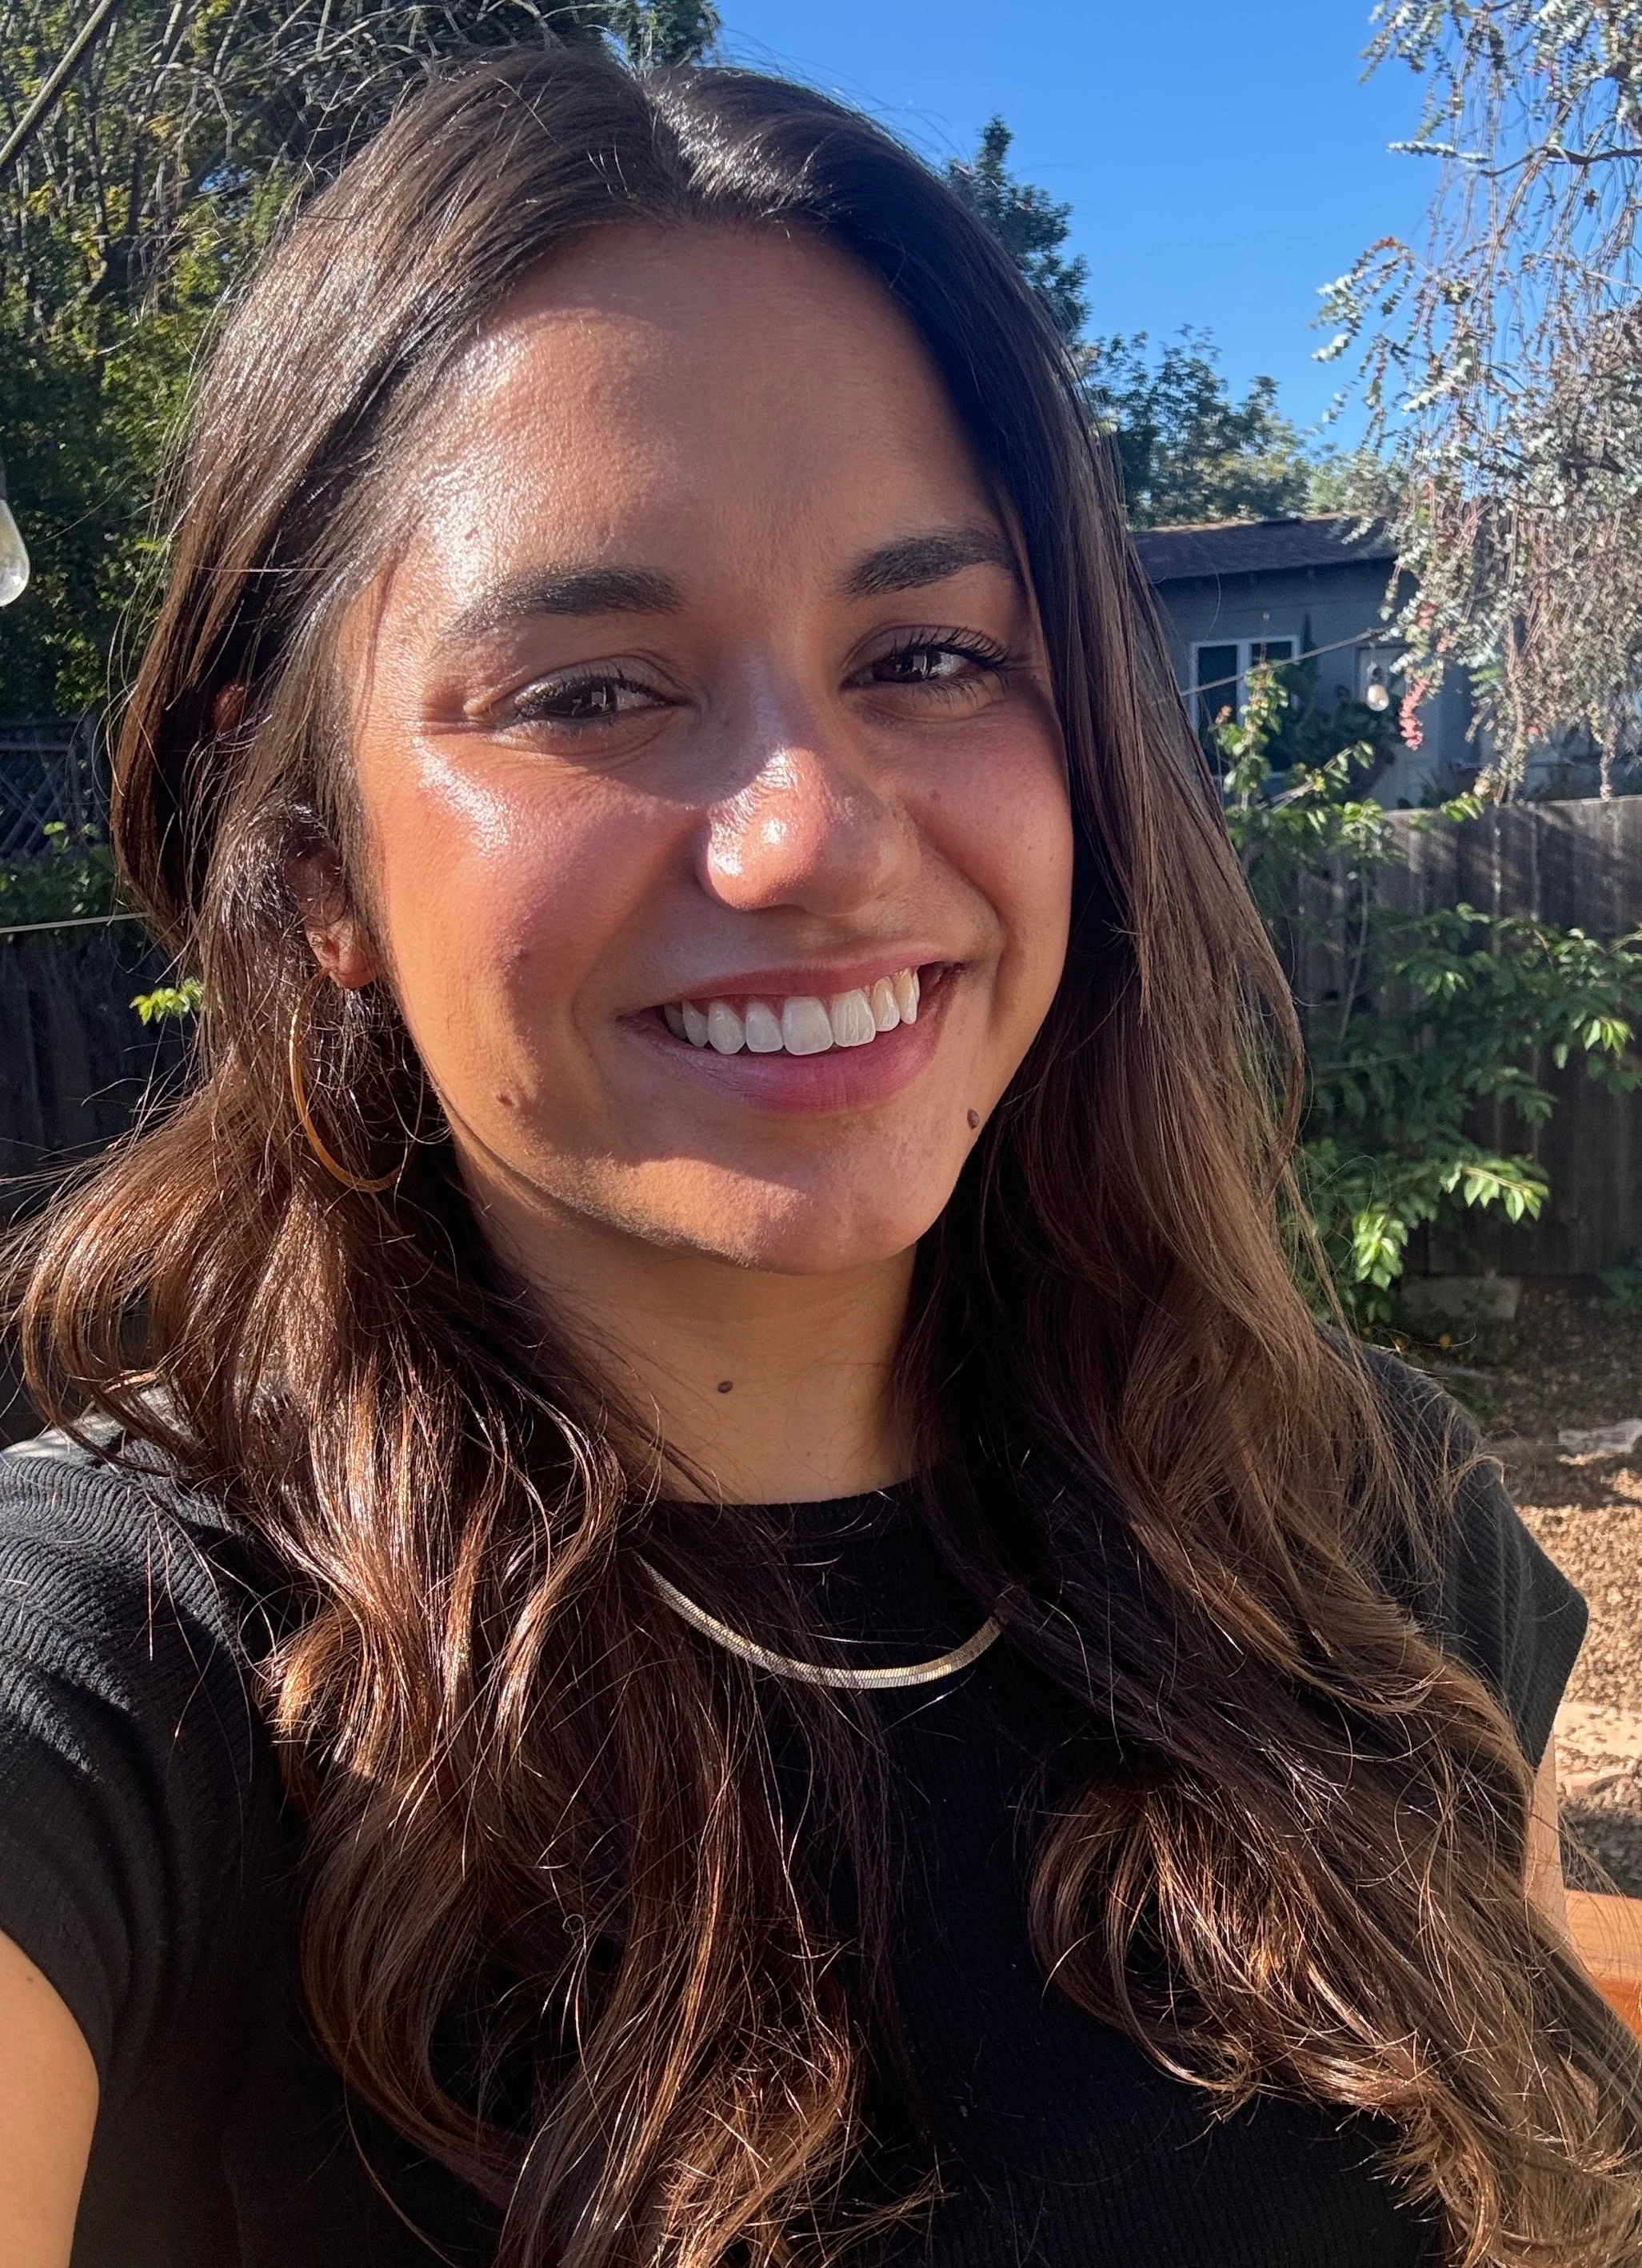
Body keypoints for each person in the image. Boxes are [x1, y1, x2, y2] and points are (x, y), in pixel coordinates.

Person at [0, 43, 1637, 2268]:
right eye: (589, 688)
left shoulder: (1357, 1529)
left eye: (930, 653)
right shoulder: (122, 1682)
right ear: (308, 866)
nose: (811, 836)